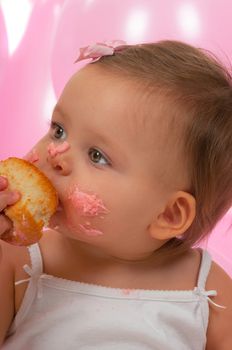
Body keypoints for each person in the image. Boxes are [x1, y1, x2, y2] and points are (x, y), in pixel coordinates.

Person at [0, 39, 232, 350]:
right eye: (59, 129)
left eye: (96, 155)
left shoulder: (207, 290)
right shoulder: (20, 260)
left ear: (169, 214)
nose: (56, 154)